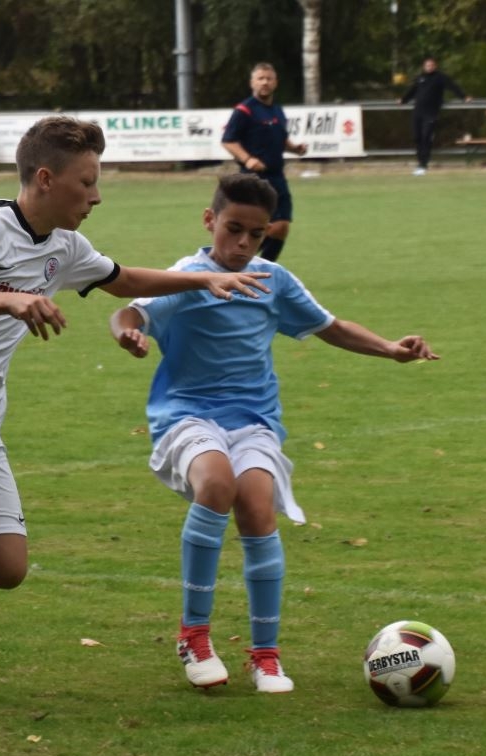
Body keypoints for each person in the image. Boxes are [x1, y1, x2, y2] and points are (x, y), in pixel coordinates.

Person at [0, 116, 271, 709]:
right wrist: (10, 300)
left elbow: (122, 281)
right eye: (86, 182)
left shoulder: (66, 247)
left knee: (6, 568)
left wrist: (204, 280)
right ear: (45, 178)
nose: (96, 196)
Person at [109, 173, 439, 694]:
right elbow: (130, 308)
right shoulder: (187, 278)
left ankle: (265, 655)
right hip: (187, 416)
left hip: (254, 422)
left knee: (258, 506)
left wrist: (390, 349)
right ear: (209, 220)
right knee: (217, 484)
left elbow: (331, 326)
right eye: (233, 229)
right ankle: (193, 636)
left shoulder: (273, 280)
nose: (243, 243)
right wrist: (127, 333)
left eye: (256, 234)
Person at [221, 62, 307, 263]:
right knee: (260, 226)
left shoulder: (277, 110)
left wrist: (295, 148)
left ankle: (261, 267)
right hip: (254, 179)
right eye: (260, 78)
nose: (265, 82)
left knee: (282, 227)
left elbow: (278, 138)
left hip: (277, 177)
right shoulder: (244, 110)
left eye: (269, 78)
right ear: (252, 82)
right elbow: (228, 141)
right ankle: (240, 261)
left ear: (275, 82)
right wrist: (248, 159)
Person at [399, 56, 470, 176]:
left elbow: (453, 86)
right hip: (418, 111)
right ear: (424, 66)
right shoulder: (420, 78)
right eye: (427, 65)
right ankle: (420, 161)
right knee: (417, 137)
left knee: (426, 136)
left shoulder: (440, 77)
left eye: (431, 65)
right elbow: (412, 90)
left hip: (431, 112)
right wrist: (403, 100)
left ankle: (423, 164)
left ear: (435, 66)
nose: (429, 67)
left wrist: (464, 97)